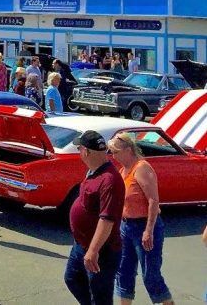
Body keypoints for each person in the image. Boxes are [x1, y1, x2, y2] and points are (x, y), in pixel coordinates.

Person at [108, 133, 174, 305]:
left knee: (150, 275)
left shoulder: (142, 168)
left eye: (115, 152)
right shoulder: (123, 170)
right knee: (124, 271)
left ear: (128, 150)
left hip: (144, 226)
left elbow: (153, 200)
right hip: (126, 227)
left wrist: (148, 231)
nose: (113, 156)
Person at [67, 130, 125, 305]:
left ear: (86, 151)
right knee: (72, 279)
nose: (79, 152)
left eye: (79, 148)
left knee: (100, 295)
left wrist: (93, 251)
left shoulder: (110, 180)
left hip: (102, 251)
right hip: (81, 245)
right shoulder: (93, 171)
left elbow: (107, 220)